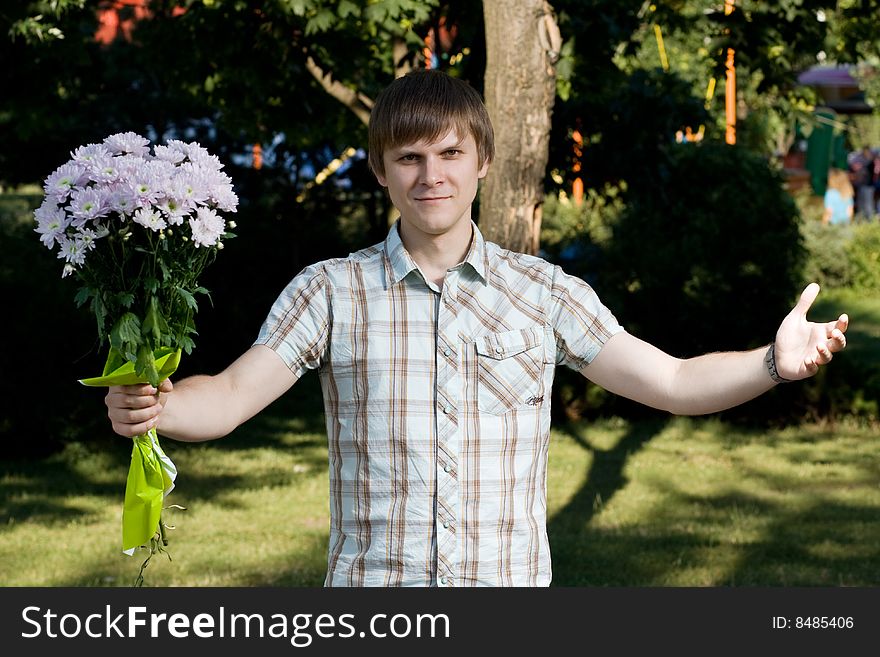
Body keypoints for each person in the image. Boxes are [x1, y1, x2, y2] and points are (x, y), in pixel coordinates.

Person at [105, 70, 849, 587]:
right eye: (410, 157)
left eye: (451, 153)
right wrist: (158, 406)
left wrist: (772, 363)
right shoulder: (330, 291)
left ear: (484, 160)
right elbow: (229, 397)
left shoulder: (543, 292)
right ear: (381, 171)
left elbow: (676, 381)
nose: (433, 175)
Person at [851, 145, 877, 221]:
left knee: (868, 204)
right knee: (862, 204)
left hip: (868, 186)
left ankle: (869, 220)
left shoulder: (869, 161)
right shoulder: (864, 160)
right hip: (862, 185)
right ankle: (862, 219)